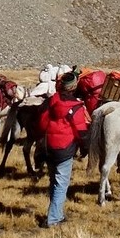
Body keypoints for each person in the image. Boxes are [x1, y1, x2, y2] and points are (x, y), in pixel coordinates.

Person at [38, 70, 89, 228]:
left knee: (54, 180)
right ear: (74, 87)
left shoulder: (52, 100)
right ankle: (53, 219)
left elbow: (41, 122)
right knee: (61, 184)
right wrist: (85, 147)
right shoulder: (76, 107)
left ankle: (58, 213)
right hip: (65, 149)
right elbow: (81, 131)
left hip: (48, 146)